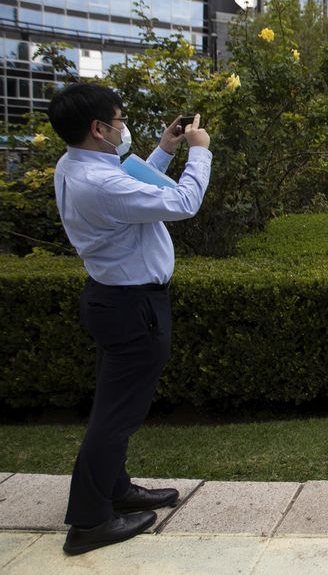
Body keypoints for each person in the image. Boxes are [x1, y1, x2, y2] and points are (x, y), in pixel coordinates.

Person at [47, 83, 212, 556]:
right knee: (116, 417)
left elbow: (134, 189)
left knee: (115, 408)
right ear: (98, 129)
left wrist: (164, 149)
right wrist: (199, 153)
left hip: (114, 299)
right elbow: (182, 203)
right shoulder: (99, 182)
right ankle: (90, 521)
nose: (123, 128)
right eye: (118, 121)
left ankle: (115, 491)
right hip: (132, 306)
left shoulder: (78, 165)